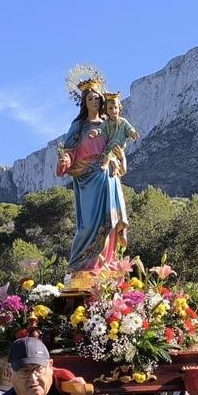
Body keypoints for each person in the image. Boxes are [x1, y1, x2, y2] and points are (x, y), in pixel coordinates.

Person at [57, 81, 129, 280]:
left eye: (97, 98)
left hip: (108, 176)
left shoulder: (109, 124)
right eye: (90, 98)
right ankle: (79, 267)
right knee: (88, 226)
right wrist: (65, 160)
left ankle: (106, 265)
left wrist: (120, 158)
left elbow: (118, 145)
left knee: (110, 221)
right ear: (84, 102)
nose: (95, 101)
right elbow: (70, 151)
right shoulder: (79, 126)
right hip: (87, 178)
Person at [101, 92, 138, 178]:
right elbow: (101, 129)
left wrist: (133, 133)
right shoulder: (106, 123)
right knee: (110, 154)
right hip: (111, 145)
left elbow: (129, 129)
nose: (113, 110)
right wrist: (97, 131)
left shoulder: (123, 122)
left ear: (119, 108)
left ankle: (107, 165)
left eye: (115, 108)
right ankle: (114, 167)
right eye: (110, 108)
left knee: (109, 153)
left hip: (119, 145)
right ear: (106, 110)